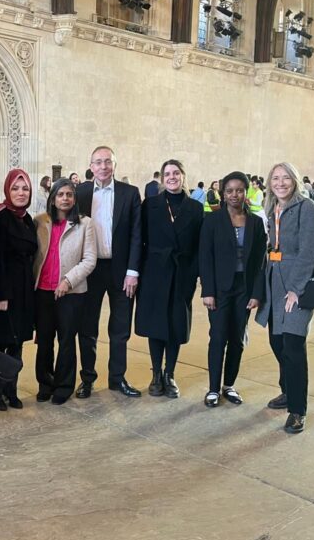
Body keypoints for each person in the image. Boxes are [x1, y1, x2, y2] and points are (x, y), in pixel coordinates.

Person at [255, 162, 314, 434]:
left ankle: (297, 409)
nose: (280, 183)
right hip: (275, 281)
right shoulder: (273, 209)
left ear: (294, 181)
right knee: (276, 341)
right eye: (275, 178)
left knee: (293, 345)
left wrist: (295, 288)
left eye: (285, 178)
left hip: (297, 284)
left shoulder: (308, 209)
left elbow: (309, 252)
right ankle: (287, 389)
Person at [75, 146, 142, 399]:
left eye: (108, 162)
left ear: (115, 165)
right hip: (89, 270)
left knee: (120, 327)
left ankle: (117, 378)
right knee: (87, 326)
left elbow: (137, 234)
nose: (103, 167)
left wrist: (133, 271)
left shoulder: (130, 193)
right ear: (91, 166)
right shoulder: (79, 193)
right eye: (98, 162)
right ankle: (88, 379)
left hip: (122, 270)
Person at [135, 160, 203, 398]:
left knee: (175, 326)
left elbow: (199, 247)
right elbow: (139, 241)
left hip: (181, 273)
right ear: (162, 179)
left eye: (176, 173)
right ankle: (155, 374)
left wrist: (194, 274)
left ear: (183, 176)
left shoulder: (195, 208)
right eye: (167, 174)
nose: (172, 177)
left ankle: (169, 373)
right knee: (156, 325)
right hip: (154, 272)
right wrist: (136, 272)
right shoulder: (150, 205)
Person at [199, 171, 267, 407]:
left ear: (246, 191)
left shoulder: (256, 223)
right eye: (229, 191)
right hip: (219, 288)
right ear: (223, 194)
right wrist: (207, 290)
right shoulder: (212, 221)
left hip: (244, 288)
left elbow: (260, 261)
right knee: (218, 337)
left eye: (239, 190)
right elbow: (205, 257)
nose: (234, 195)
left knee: (237, 339)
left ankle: (229, 385)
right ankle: (213, 389)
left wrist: (257, 293)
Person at [33, 178, 97, 404]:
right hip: (42, 291)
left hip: (70, 293)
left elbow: (89, 259)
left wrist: (67, 281)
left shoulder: (85, 224)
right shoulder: (40, 221)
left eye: (69, 194)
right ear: (53, 198)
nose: (65, 199)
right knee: (44, 341)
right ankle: (45, 382)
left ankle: (64, 385)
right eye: (60, 194)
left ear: (75, 198)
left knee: (67, 340)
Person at [0, 169, 37, 411]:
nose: (21, 193)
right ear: (7, 190)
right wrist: (0, 294)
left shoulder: (26, 219)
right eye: (15, 188)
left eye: (25, 188)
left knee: (17, 342)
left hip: (24, 289)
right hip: (5, 290)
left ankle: (10, 391)